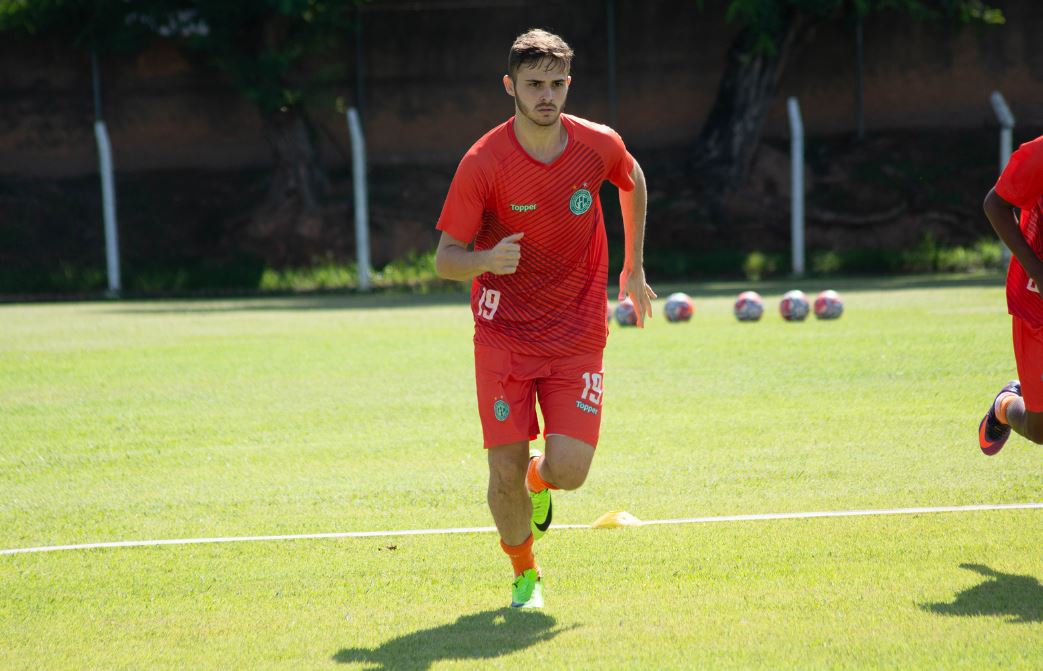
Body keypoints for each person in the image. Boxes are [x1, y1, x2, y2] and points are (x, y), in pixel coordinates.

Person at [433, 28, 655, 608]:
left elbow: (632, 181)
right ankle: (524, 574)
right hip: (504, 336)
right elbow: (444, 259)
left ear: (568, 84)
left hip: (578, 332)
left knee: (572, 470)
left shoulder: (596, 144)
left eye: (556, 84)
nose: (546, 96)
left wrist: (632, 266)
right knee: (501, 468)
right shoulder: (483, 162)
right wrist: (485, 259)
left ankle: (541, 479)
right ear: (511, 86)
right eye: (534, 84)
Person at [978, 133, 1043, 455]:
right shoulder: (1040, 154)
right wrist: (1037, 271)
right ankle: (1006, 404)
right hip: (1038, 304)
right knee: (1040, 430)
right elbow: (996, 204)